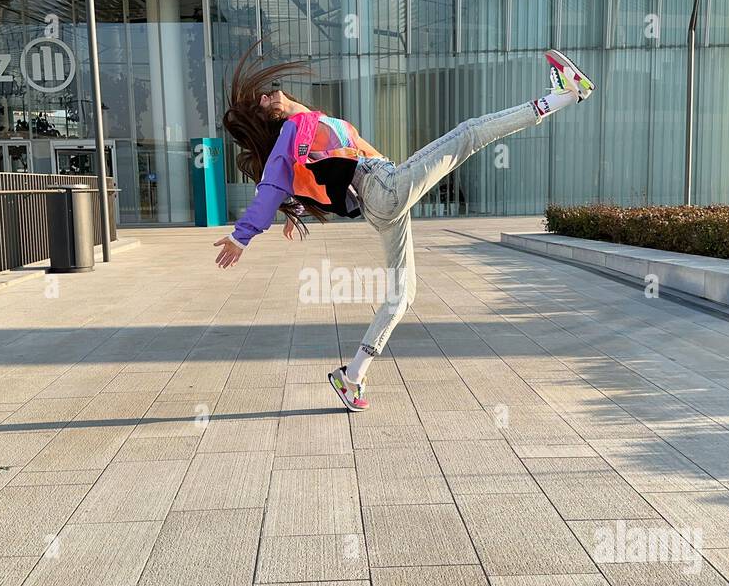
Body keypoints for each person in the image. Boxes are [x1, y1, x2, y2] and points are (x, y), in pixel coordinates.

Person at [215, 45, 594, 411]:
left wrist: (292, 209)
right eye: (265, 98)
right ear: (265, 114)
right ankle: (560, 97)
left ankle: (353, 376)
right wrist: (240, 236)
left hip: (383, 204)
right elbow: (270, 188)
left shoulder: (303, 126)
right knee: (469, 134)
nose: (272, 94)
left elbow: (304, 157)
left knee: (402, 295)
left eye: (270, 93)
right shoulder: (287, 136)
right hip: (383, 189)